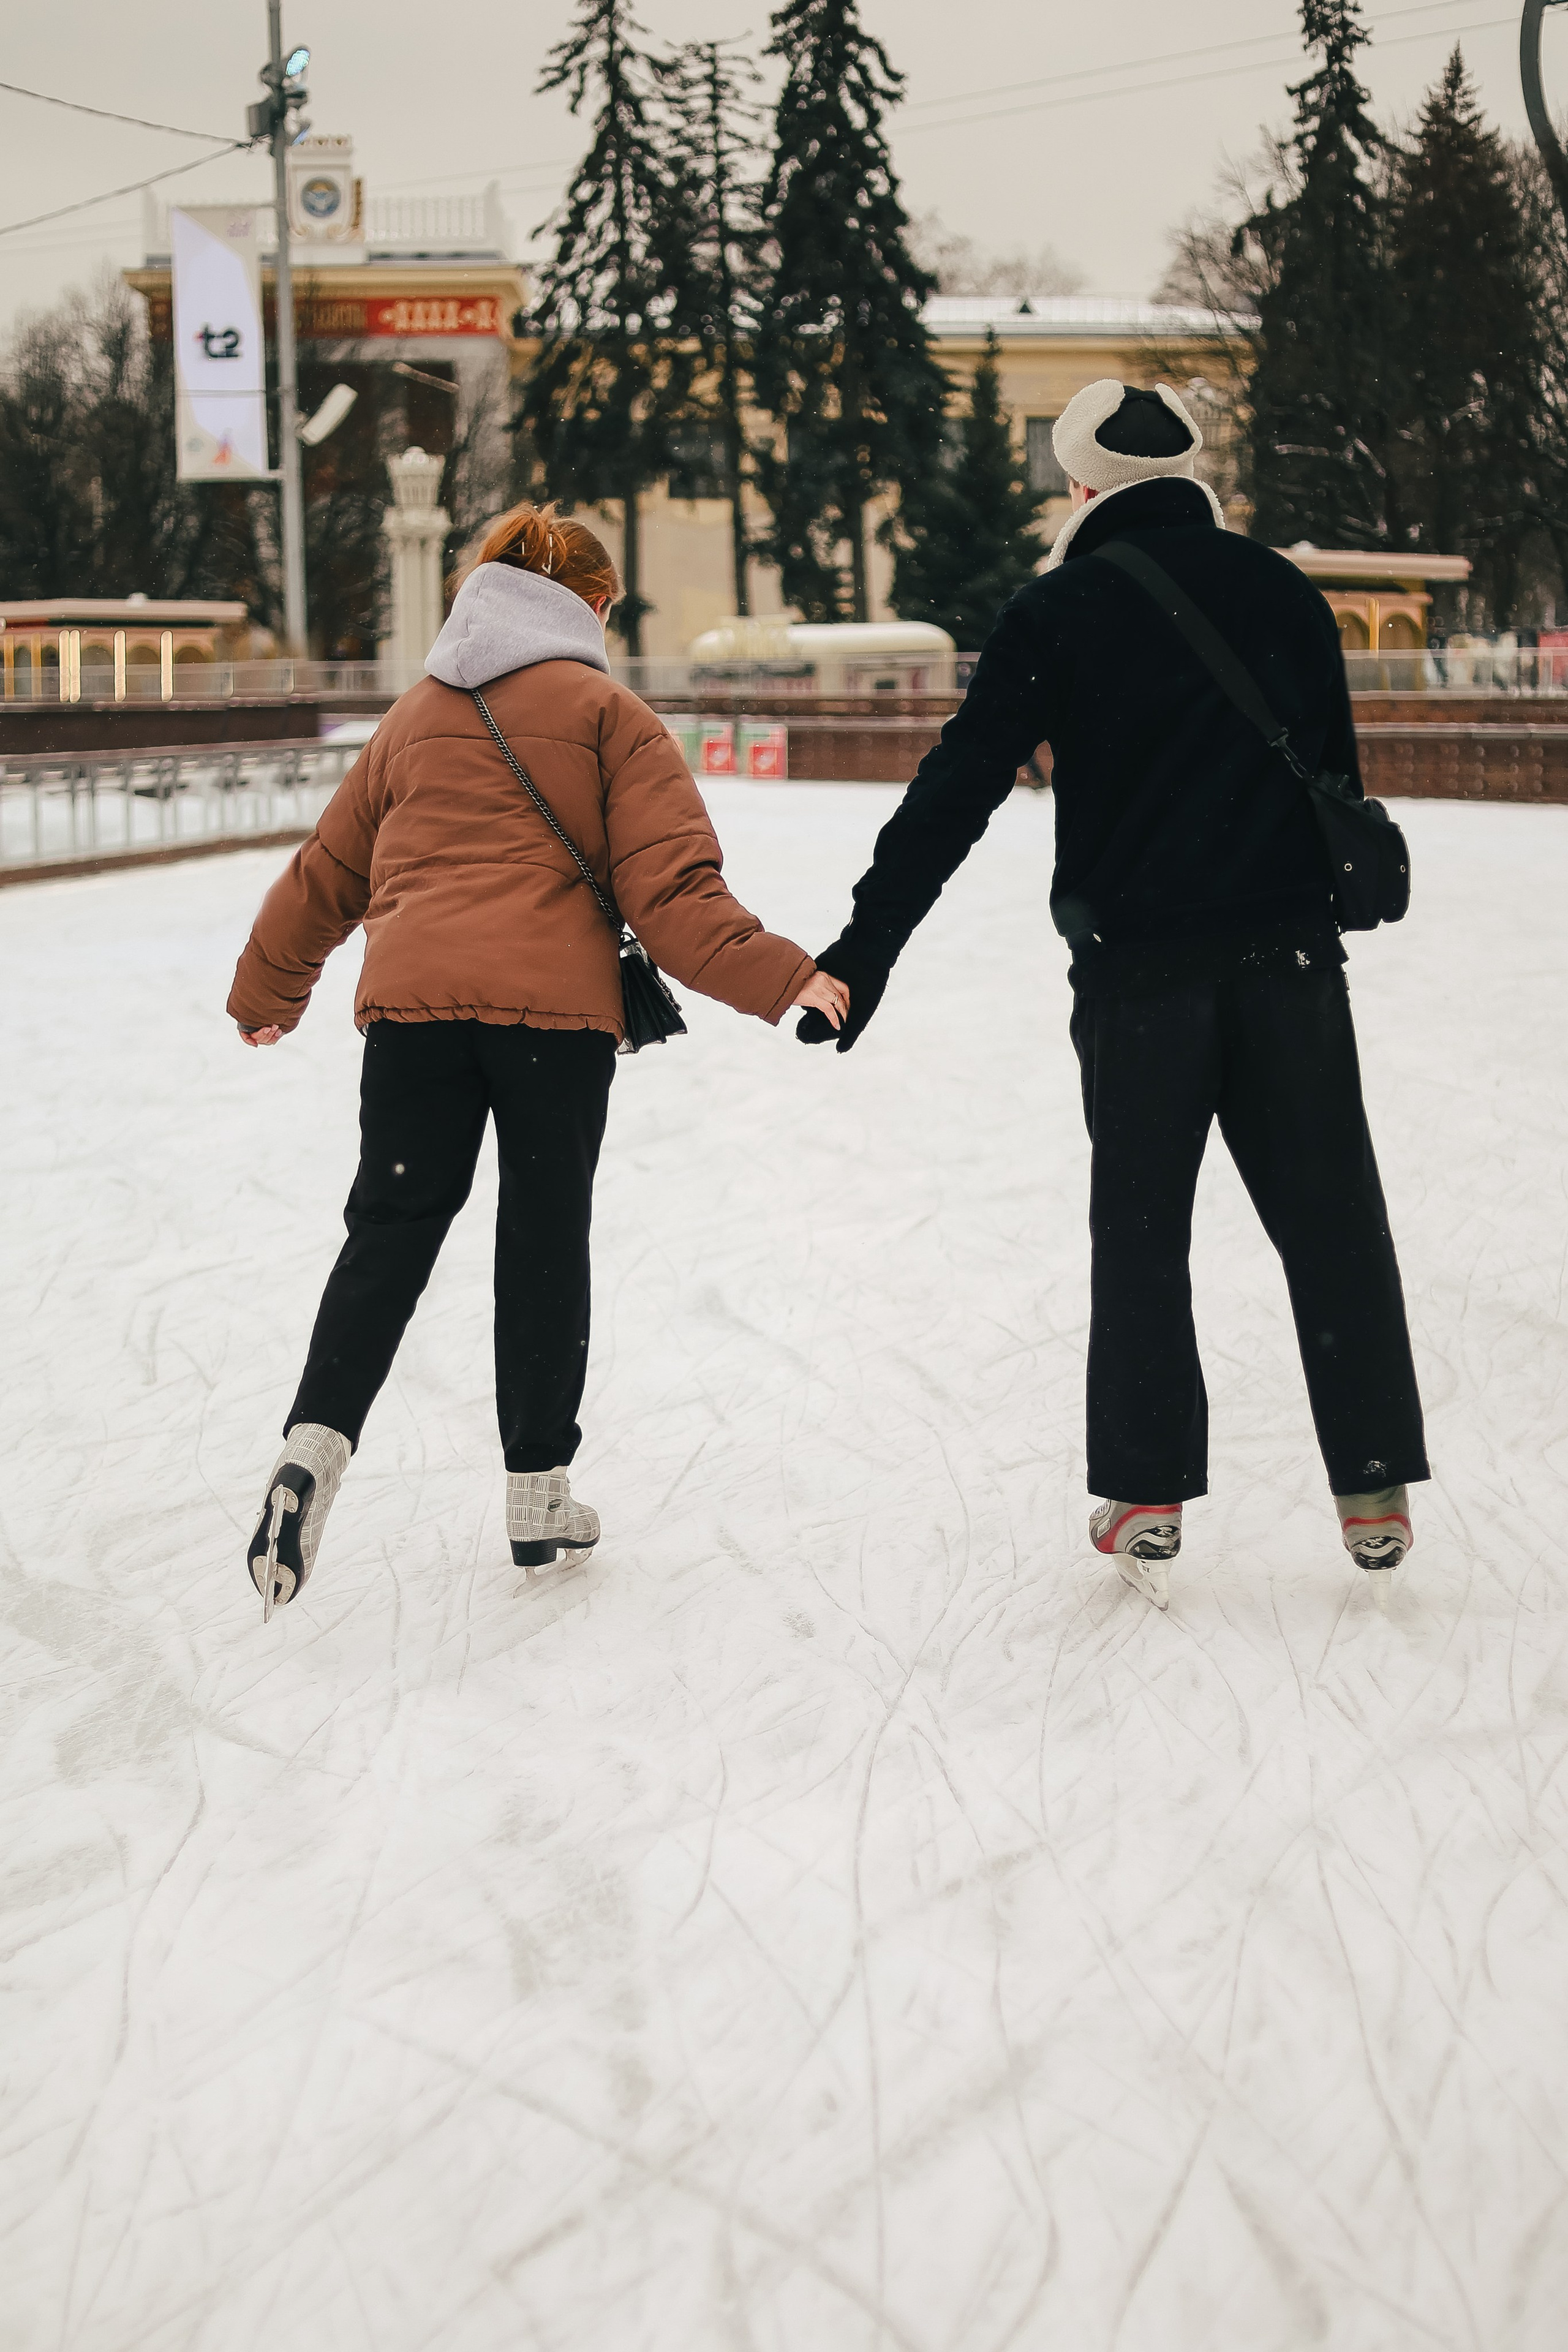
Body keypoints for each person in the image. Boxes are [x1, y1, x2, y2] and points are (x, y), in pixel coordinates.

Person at [798, 380, 1426, 1610]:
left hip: (1138, 974)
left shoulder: (1058, 610)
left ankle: (1143, 1492)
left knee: (1140, 1229)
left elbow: (958, 785)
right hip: (1286, 963)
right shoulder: (1283, 593)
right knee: (1331, 1217)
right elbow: (1333, 777)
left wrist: (863, 950)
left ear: (1077, 484)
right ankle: (1370, 1488)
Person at [230, 503, 848, 1619]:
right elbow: (673, 894)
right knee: (543, 1235)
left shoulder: (412, 718)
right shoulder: (612, 714)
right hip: (551, 1031)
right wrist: (786, 977)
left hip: (413, 1018)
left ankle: (311, 1452)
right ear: (593, 605)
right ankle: (536, 1492)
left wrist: (268, 989)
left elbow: (329, 870)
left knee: (390, 1233)